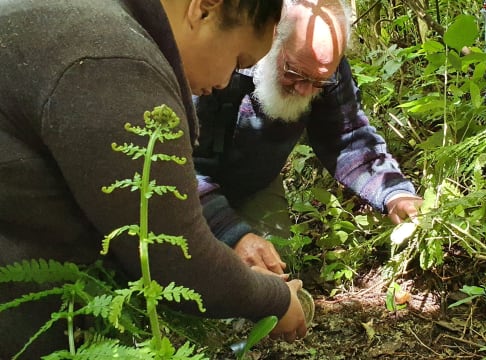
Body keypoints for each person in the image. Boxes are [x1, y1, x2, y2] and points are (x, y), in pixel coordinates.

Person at [0, 0, 308, 358]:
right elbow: (176, 257)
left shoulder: (91, 21)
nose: (226, 81)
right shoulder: (115, 63)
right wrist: (275, 299)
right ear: (204, 9)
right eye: (238, 59)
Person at [194, 0, 423, 275]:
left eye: (318, 82)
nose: (305, 90)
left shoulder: (323, 71)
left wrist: (395, 194)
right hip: (188, 181)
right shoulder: (216, 62)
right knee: (193, 267)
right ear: (272, 38)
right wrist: (232, 233)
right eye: (294, 73)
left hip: (254, 181)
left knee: (273, 267)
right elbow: (178, 168)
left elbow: (347, 139)